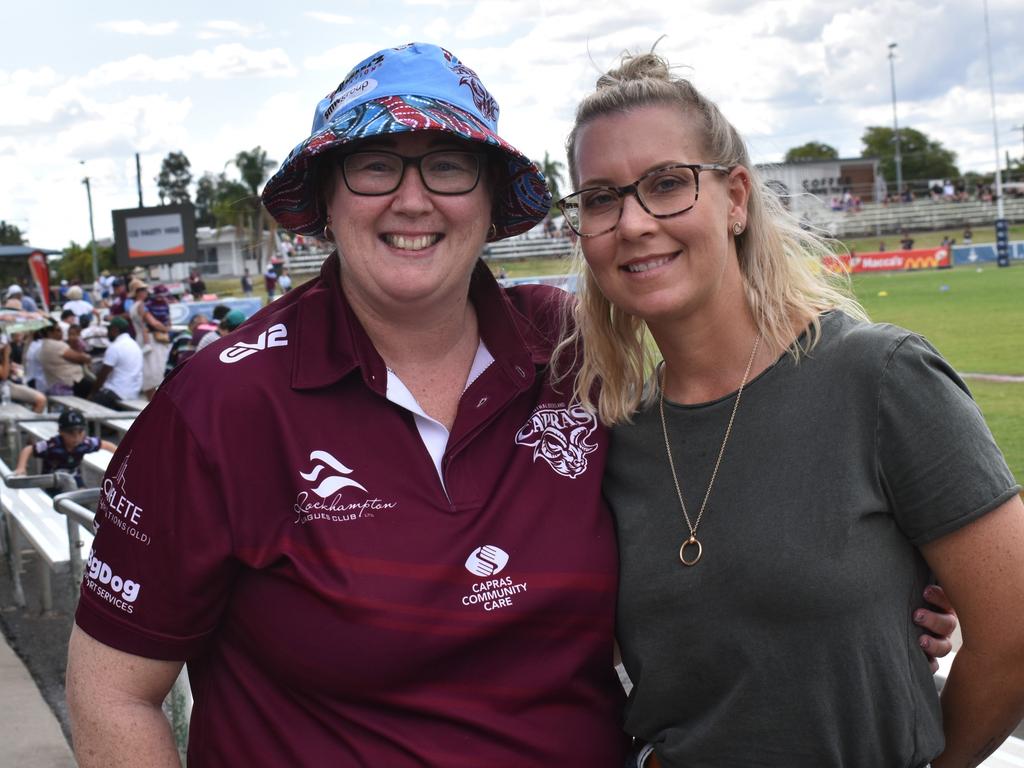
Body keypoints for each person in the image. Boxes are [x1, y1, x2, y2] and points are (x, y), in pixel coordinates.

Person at [65, 43, 955, 768]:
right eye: (375, 166)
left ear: (491, 204)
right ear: (327, 201)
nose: (412, 199)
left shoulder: (577, 349)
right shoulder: (221, 402)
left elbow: (697, 519)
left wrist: (869, 594)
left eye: (447, 167)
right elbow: (113, 692)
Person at [554, 50, 1024, 767]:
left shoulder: (881, 377)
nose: (635, 222)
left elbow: (1014, 631)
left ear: (736, 198)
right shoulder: (614, 438)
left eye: (667, 184)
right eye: (601, 198)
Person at [14, 409, 116, 489]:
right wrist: (21, 467)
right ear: (60, 431)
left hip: (74, 478)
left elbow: (107, 445)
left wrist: (121, 458)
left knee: (82, 497)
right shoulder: (52, 445)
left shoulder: (85, 443)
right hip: (52, 481)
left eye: (80, 431)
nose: (76, 437)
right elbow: (28, 449)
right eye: (71, 433)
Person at [89, 316, 143, 408]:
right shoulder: (134, 345)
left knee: (88, 405)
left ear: (115, 330)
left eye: (109, 329)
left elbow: (103, 375)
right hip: (133, 393)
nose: (107, 333)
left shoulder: (115, 347)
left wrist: (92, 394)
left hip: (116, 392)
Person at [38, 322, 92, 397]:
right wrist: (87, 357)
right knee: (97, 387)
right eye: (58, 330)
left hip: (58, 382)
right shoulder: (56, 345)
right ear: (50, 333)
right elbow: (81, 358)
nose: (62, 332)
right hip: (70, 382)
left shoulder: (44, 345)